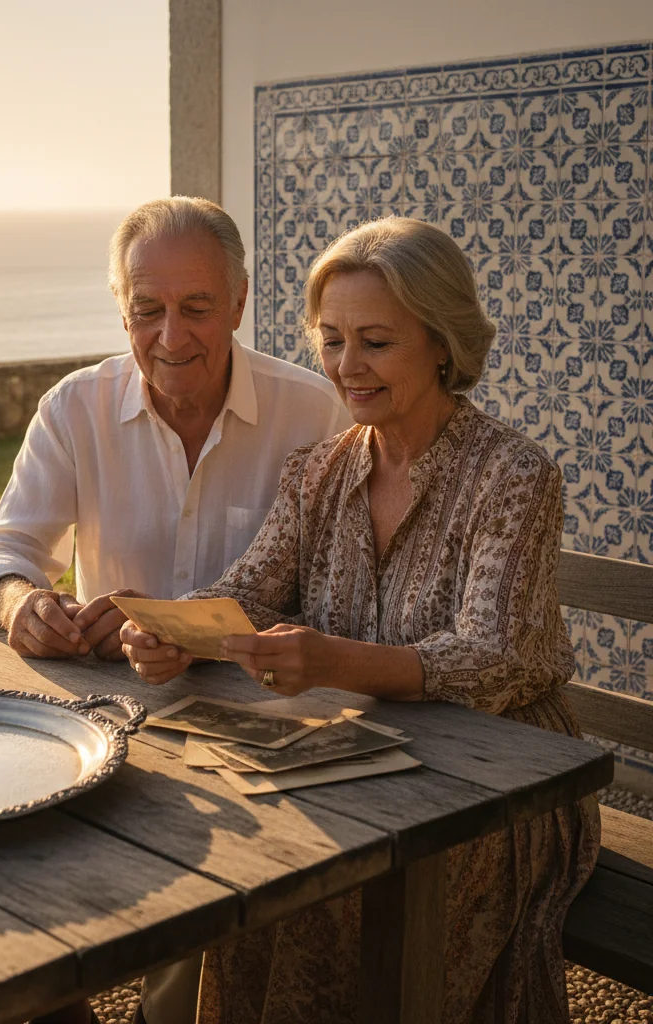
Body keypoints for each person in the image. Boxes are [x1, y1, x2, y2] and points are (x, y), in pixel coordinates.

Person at [121, 216, 600, 1024]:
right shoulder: (320, 470)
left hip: (509, 783)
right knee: (260, 874)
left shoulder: (515, 476)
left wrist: (331, 661)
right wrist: (178, 636)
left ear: (442, 344)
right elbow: (249, 593)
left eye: (376, 341)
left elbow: (493, 657)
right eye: (333, 339)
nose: (347, 367)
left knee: (328, 897)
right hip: (363, 761)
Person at [0, 196, 349, 1024]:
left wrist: (201, 637)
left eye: (197, 309)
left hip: (256, 738)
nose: (171, 337)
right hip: (109, 723)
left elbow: (337, 596)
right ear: (121, 308)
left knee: (220, 904)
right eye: (148, 310)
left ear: (240, 302)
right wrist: (19, 602)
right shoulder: (77, 407)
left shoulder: (312, 412)